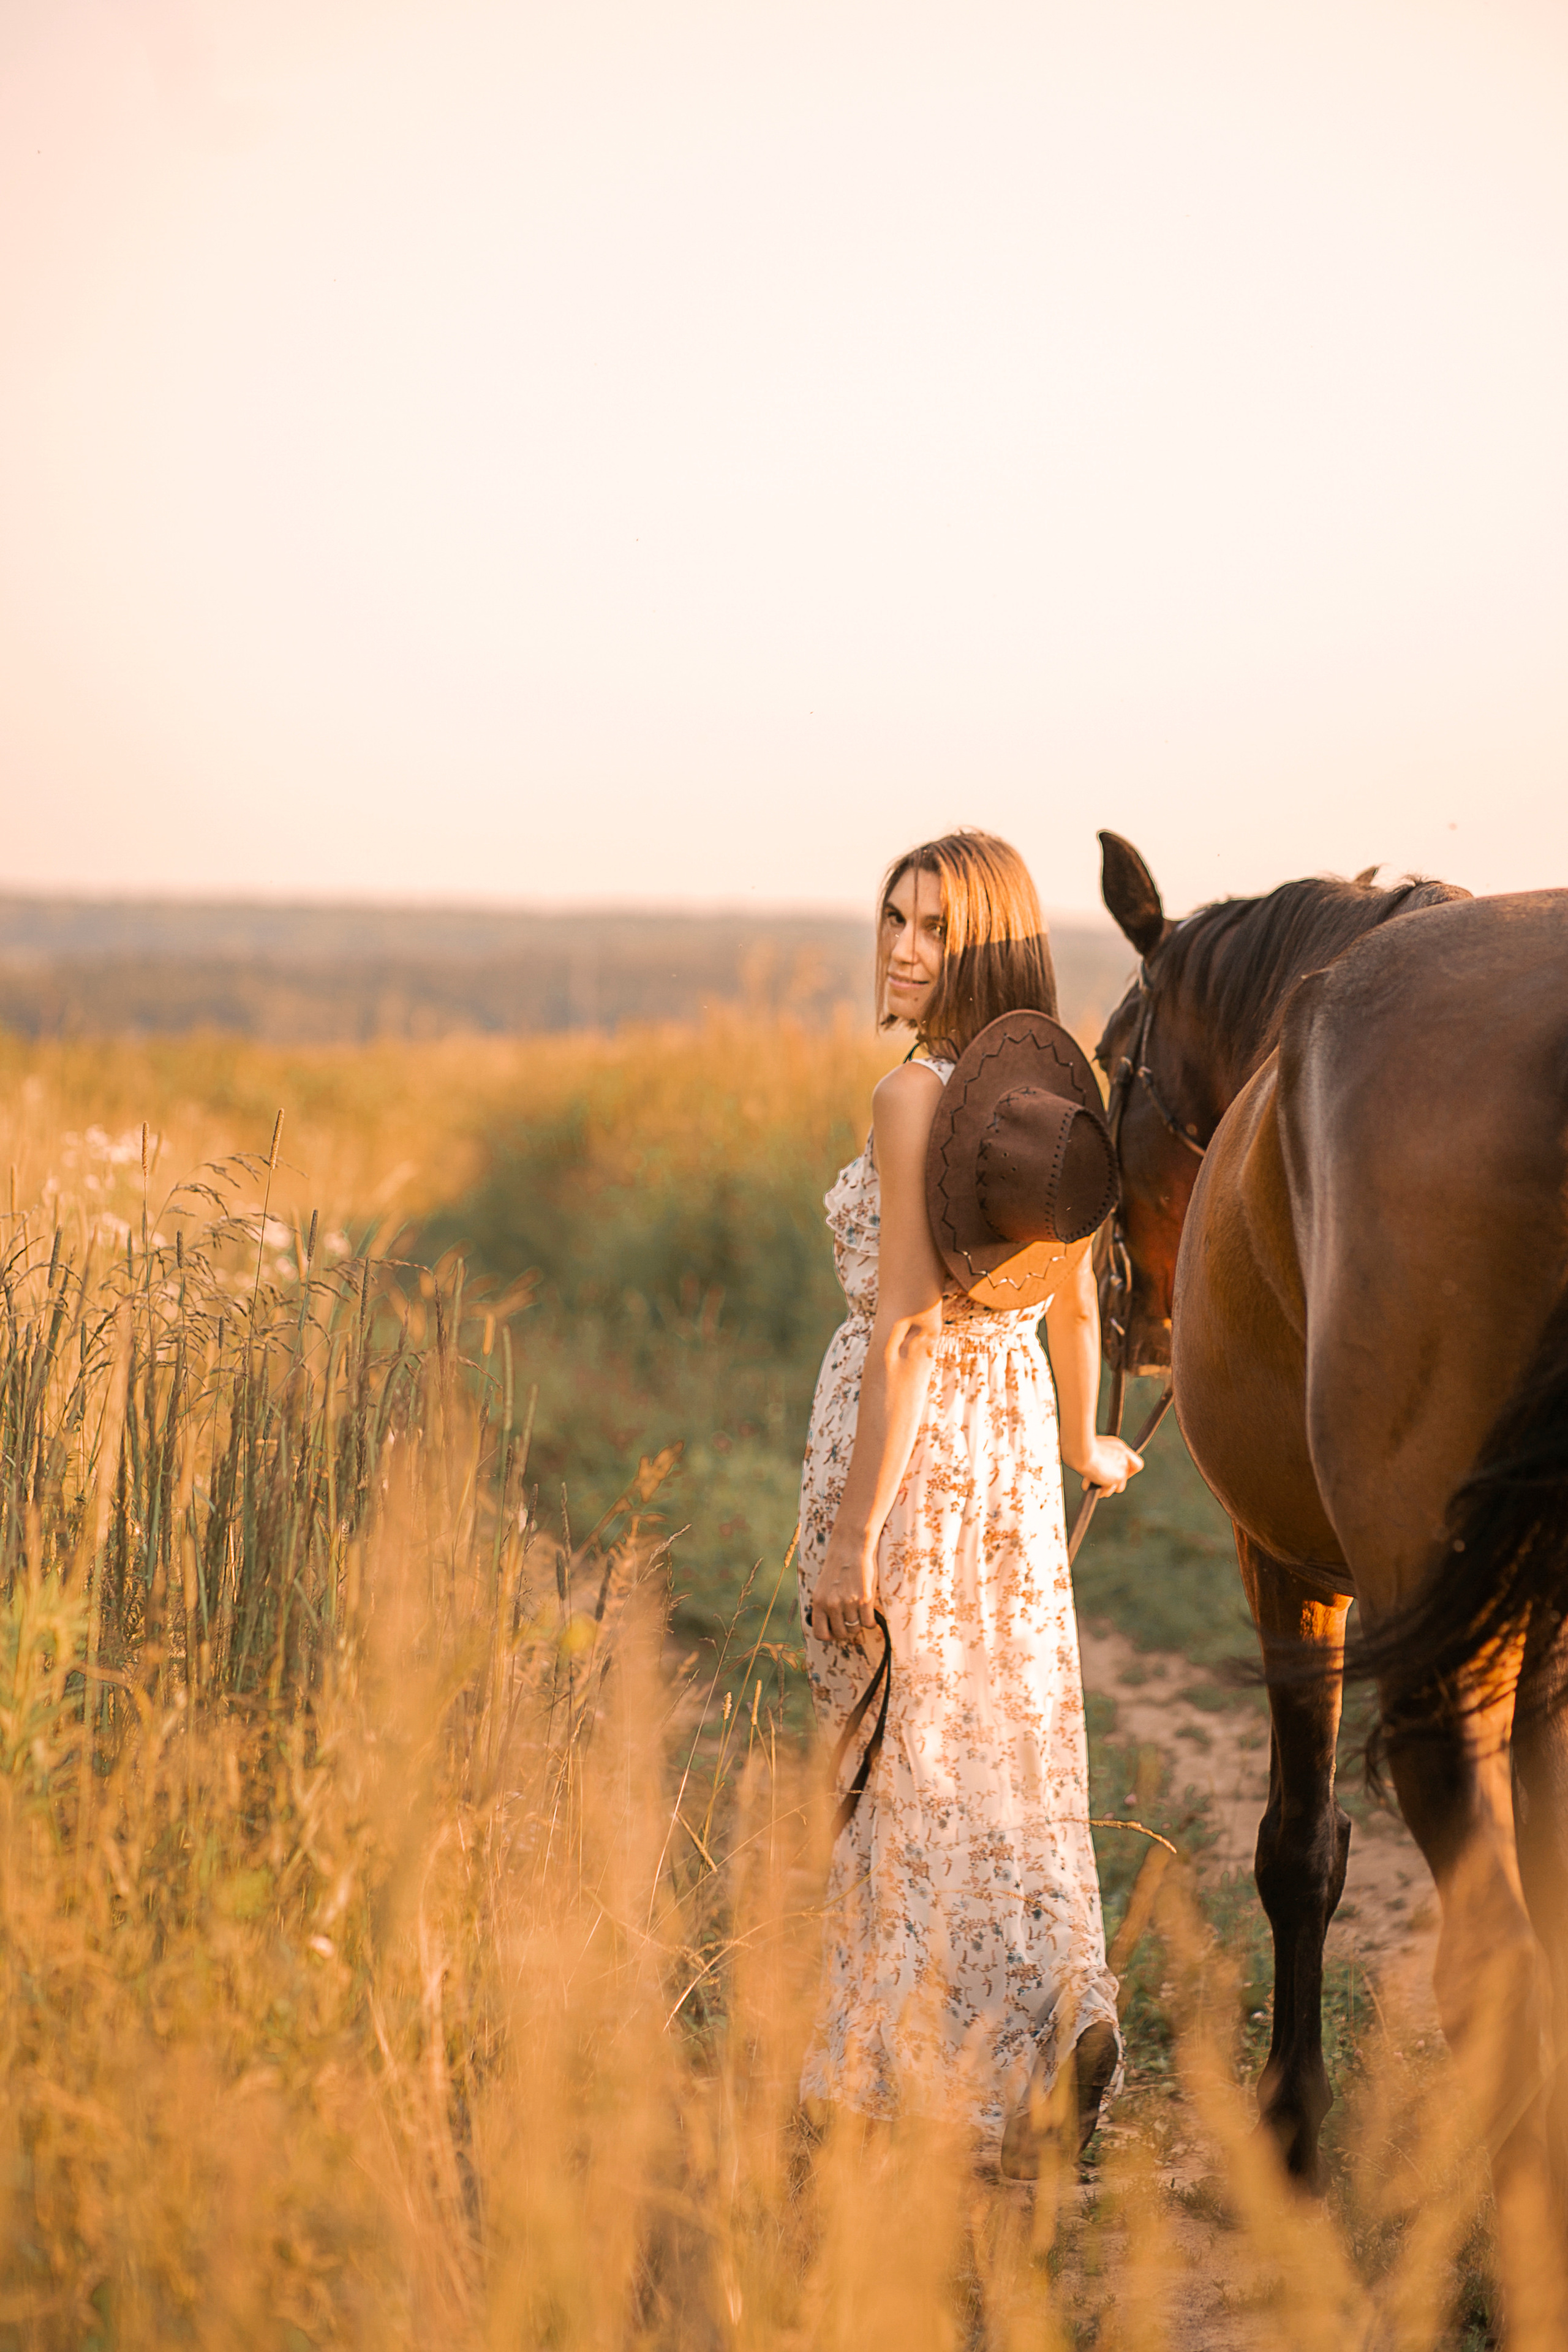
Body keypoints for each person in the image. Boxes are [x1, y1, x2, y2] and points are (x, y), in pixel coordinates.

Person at [797, 827, 1144, 2166]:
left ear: (981, 944)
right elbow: (1067, 1297)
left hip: (912, 1458)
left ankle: (895, 2069)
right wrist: (1080, 1442)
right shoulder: (1037, 1118)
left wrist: (850, 1536)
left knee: (895, 1754)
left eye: (931, 927)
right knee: (1007, 1750)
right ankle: (1050, 2018)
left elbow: (900, 1331)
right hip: (1001, 1460)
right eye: (890, 916)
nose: (896, 945)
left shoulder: (914, 1098)